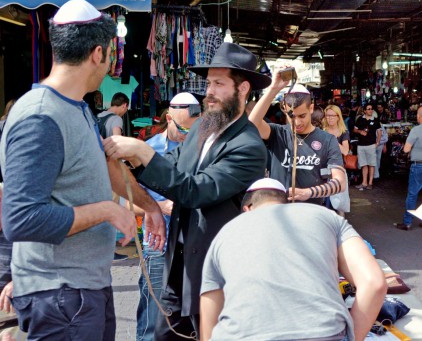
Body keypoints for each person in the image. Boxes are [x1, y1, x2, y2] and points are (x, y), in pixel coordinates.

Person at [0, 0, 165, 340]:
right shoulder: (40, 117)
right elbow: (21, 220)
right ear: (98, 53)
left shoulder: (78, 108)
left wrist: (149, 207)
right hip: (59, 294)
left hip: (82, 288)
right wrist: (105, 210)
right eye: (110, 56)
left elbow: (102, 168)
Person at [103, 42, 269, 341]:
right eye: (208, 83)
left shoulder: (249, 146)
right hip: (176, 269)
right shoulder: (203, 127)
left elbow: (195, 191)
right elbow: (173, 168)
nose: (210, 92)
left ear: (243, 89)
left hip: (214, 275)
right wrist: (136, 161)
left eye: (219, 84)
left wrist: (142, 149)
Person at [199, 178, 387, 341]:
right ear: (286, 204)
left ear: (247, 208)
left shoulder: (226, 232)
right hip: (322, 332)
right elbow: (374, 283)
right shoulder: (327, 216)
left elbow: (209, 316)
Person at [136, 92, 200, 341]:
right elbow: (126, 201)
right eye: (183, 128)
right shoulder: (147, 150)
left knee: (181, 315)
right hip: (157, 244)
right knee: (154, 313)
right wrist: (158, 207)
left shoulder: (198, 149)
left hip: (189, 242)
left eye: (192, 130)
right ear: (168, 117)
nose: (186, 135)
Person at [249, 76, 345, 206]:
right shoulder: (277, 133)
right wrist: (273, 89)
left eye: (302, 116)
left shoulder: (328, 140)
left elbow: (340, 182)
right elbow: (252, 124)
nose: (297, 122)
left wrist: (309, 192)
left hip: (311, 212)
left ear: (311, 108)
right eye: (291, 116)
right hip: (278, 211)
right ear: (284, 110)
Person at [354, 104, 381, 190]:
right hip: (361, 145)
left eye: (371, 109)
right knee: (363, 164)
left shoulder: (376, 120)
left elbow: (379, 132)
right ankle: (364, 183)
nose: (370, 110)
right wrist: (360, 131)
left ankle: (370, 183)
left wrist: (377, 142)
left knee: (371, 164)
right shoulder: (360, 119)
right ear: (364, 111)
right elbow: (354, 129)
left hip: (371, 144)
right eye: (368, 109)